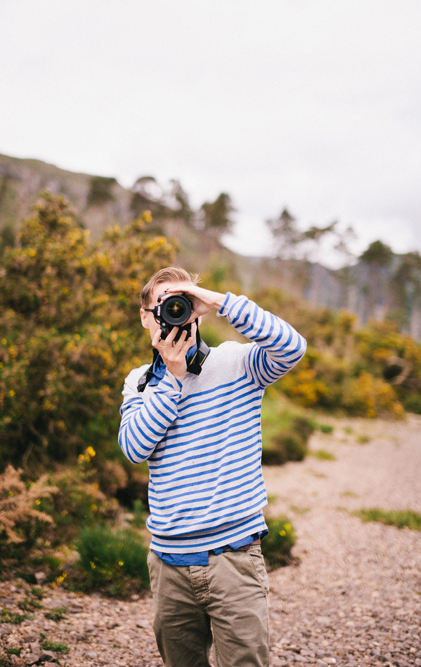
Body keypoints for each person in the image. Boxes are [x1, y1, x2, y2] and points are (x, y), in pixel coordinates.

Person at [118, 267, 306, 667]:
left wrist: (221, 302)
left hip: (234, 557)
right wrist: (172, 378)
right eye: (164, 305)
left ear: (196, 310)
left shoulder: (238, 364)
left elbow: (292, 347)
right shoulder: (138, 383)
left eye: (181, 302)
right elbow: (134, 448)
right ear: (145, 316)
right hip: (169, 565)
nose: (173, 313)